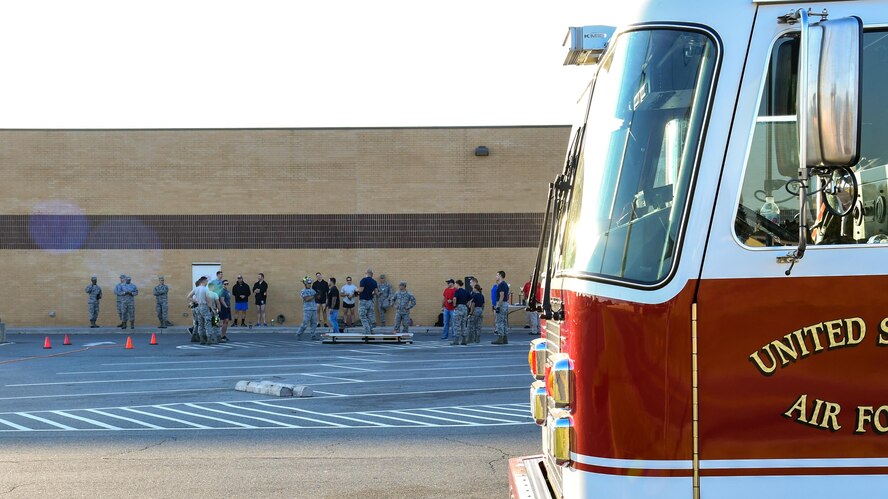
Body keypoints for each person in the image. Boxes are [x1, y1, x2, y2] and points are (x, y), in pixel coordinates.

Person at [297, 276, 320, 340]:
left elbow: (317, 298)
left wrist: (319, 294)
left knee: (314, 323)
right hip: (307, 309)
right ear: (305, 284)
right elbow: (306, 299)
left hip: (314, 309)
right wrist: (314, 296)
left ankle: (313, 335)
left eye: (310, 283)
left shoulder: (313, 290)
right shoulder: (303, 291)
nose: (309, 285)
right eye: (308, 283)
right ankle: (299, 333)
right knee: (305, 323)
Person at [357, 269, 379, 335]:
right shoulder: (374, 282)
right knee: (370, 316)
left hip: (363, 301)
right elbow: (376, 292)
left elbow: (361, 290)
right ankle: (371, 329)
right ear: (372, 274)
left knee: (363, 316)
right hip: (370, 301)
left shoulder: (363, 280)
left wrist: (356, 289)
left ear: (366, 273)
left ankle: (367, 331)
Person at [493, 271, 510, 344]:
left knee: (499, 321)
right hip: (505, 303)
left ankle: (500, 338)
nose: (496, 276)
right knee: (504, 321)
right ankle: (505, 338)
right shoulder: (505, 284)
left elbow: (501, 295)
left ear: (500, 276)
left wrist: (498, 306)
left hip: (501, 303)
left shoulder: (501, 285)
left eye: (497, 275)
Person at [452, 279, 471, 345]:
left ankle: (456, 340)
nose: (454, 285)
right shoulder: (466, 291)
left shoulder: (457, 291)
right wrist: (467, 305)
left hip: (459, 307)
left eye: (455, 284)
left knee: (457, 324)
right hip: (465, 308)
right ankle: (464, 340)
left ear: (457, 284)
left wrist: (454, 306)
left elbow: (454, 299)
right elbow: (470, 299)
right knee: (463, 324)